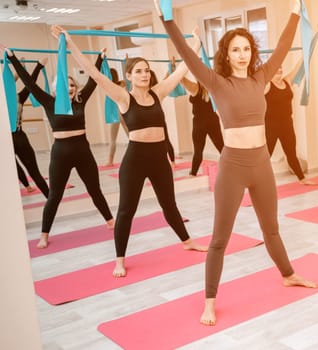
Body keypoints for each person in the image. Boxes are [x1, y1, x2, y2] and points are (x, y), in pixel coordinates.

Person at [154, 0, 317, 326]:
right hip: (233, 166)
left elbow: (284, 46)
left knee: (271, 229)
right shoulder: (216, 82)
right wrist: (166, 20)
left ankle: (288, 274)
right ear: (226, 55)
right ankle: (210, 301)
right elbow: (186, 52)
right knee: (219, 239)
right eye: (235, 49)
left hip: (261, 164)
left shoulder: (262, 78)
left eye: (246, 48)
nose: (242, 54)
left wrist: (296, 12)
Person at [49, 25, 207, 277]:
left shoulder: (158, 93)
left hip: (157, 159)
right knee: (126, 211)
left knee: (169, 205)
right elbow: (95, 74)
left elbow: (181, 70)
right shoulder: (123, 97)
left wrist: (196, 45)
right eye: (138, 71)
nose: (144, 74)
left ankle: (187, 242)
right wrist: (70, 43)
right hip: (135, 160)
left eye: (146, 70)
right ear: (130, 76)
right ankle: (120, 259)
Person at [1, 45, 115, 249]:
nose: (69, 88)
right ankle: (44, 234)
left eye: (72, 85)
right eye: (65, 85)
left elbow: (94, 79)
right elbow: (28, 81)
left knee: (94, 190)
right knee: (54, 196)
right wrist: (13, 58)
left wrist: (99, 58)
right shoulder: (48, 101)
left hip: (83, 152)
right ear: (55, 89)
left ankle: (110, 221)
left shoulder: (81, 99)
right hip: (60, 154)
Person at [264, 58, 316, 185]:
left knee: (291, 152)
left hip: (287, 123)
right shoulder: (267, 85)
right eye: (276, 68)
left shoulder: (286, 81)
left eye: (281, 67)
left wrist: (305, 52)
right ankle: (258, 181)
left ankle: (302, 179)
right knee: (266, 155)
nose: (280, 70)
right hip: (271, 125)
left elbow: (296, 68)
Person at [13, 57, 50, 197]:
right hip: (18, 137)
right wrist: (38, 66)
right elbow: (30, 84)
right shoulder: (18, 97)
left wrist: (21, 67)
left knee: (17, 167)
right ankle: (47, 196)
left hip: (15, 138)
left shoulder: (17, 97)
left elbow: (28, 84)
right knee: (33, 171)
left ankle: (30, 187)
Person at [180, 75, 224, 176]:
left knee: (198, 150)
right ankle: (235, 169)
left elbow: (181, 79)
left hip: (199, 123)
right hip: (213, 121)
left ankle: (193, 173)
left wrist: (172, 67)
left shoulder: (196, 88)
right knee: (222, 148)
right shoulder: (214, 88)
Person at [103, 68, 128, 167]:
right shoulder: (121, 84)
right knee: (132, 137)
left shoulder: (108, 86)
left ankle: (110, 161)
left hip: (115, 114)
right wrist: (126, 63)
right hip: (123, 113)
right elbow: (127, 79)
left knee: (112, 139)